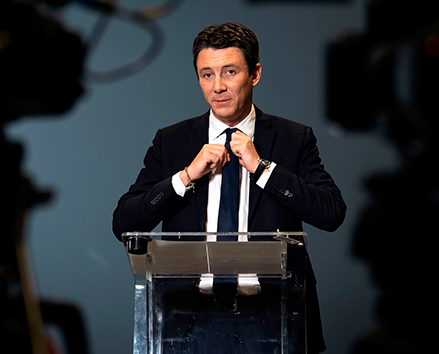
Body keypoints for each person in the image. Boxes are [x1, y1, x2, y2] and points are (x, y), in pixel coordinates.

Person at [112, 22, 346, 353]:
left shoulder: (294, 138)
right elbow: (124, 223)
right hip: (187, 322)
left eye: (230, 72)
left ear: (255, 74)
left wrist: (261, 167)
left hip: (274, 317)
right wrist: (186, 175)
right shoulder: (172, 142)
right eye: (206, 74)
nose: (218, 86)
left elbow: (331, 213)